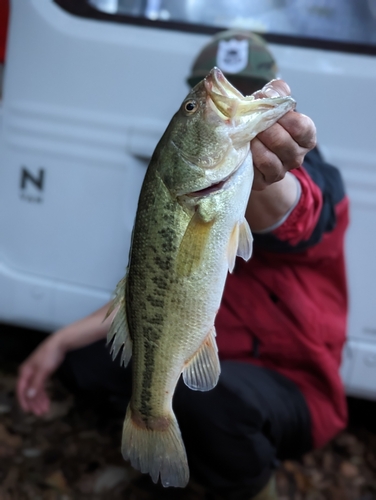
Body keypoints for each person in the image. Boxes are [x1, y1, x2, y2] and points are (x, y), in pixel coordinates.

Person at [16, 31, 348, 500]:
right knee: (83, 363)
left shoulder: (318, 179)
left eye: (247, 89)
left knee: (214, 407)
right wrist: (60, 340)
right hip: (203, 339)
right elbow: (154, 289)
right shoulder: (180, 177)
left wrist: (270, 182)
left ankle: (254, 487)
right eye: (195, 104)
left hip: (291, 381)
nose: (223, 94)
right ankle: (158, 448)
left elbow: (298, 212)